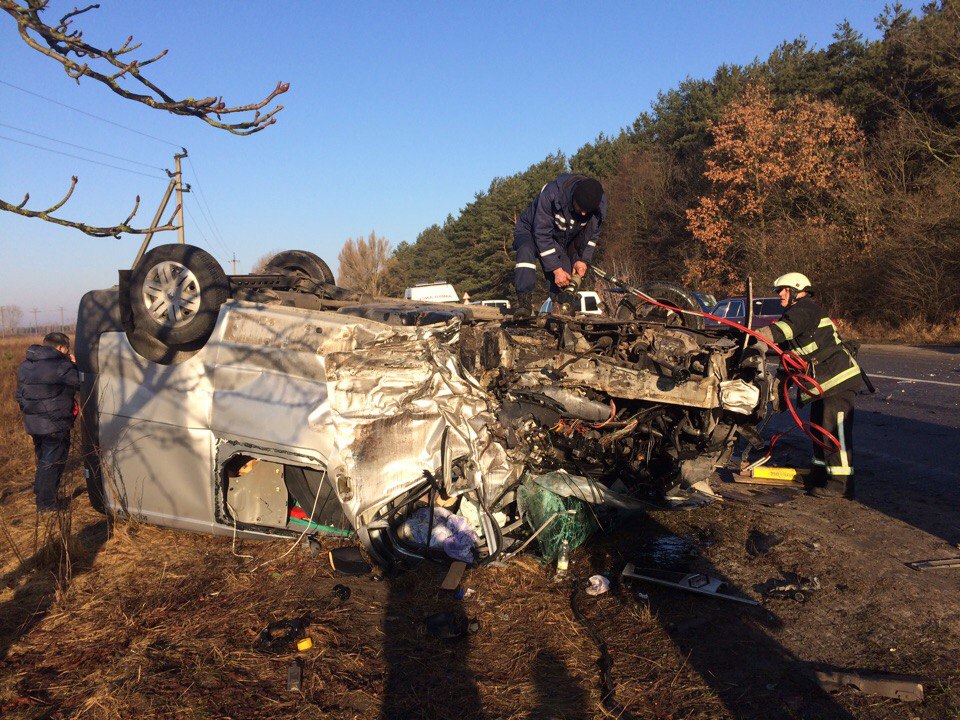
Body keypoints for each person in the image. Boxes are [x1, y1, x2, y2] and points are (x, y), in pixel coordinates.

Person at [756, 273, 863, 499]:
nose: (779, 295)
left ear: (796, 290)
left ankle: (841, 485)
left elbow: (780, 332)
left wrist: (751, 336)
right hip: (825, 382)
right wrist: (780, 390)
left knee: (834, 432)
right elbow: (789, 357)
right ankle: (820, 474)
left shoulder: (804, 310)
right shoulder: (796, 313)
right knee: (818, 430)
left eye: (783, 290)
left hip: (838, 379)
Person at [512, 173, 606, 317]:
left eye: (587, 211)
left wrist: (582, 260)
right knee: (526, 251)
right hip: (530, 230)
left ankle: (561, 308)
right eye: (580, 208)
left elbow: (592, 236)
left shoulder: (598, 202)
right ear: (574, 197)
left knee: (565, 276)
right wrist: (555, 269)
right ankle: (524, 302)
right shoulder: (551, 194)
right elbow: (542, 234)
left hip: (559, 238)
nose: (583, 214)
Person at [16, 332, 80, 512]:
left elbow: (20, 395)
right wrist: (75, 365)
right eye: (67, 349)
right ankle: (46, 505)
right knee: (52, 462)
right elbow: (81, 383)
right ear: (60, 348)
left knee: (44, 460)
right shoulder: (60, 366)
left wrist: (31, 413)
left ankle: (41, 495)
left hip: (33, 423)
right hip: (54, 423)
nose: (68, 352)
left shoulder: (25, 366)